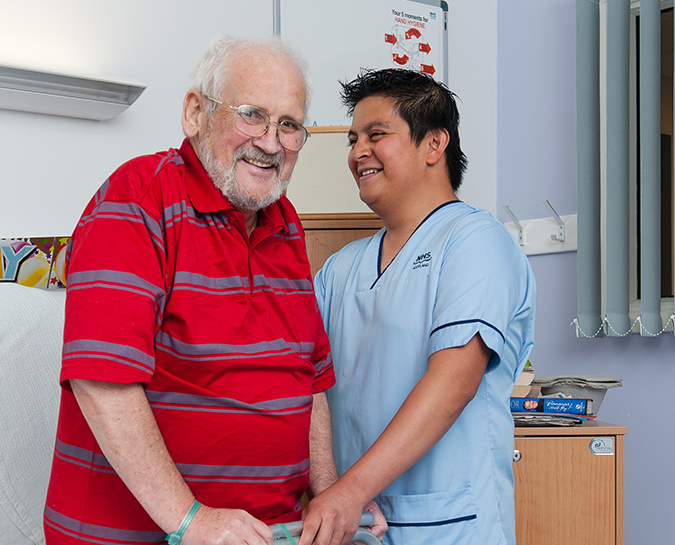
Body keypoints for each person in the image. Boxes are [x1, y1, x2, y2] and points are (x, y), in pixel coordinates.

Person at [44, 35, 384, 545]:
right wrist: (190, 520)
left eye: (289, 125)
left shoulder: (285, 222)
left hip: (271, 533)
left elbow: (307, 379)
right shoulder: (138, 199)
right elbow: (103, 382)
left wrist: (332, 493)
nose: (271, 143)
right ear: (195, 113)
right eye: (251, 114)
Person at [305, 69, 536, 545]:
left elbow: (455, 380)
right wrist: (331, 490)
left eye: (376, 135)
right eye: (353, 139)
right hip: (354, 523)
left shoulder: (475, 241)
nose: (357, 152)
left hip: (447, 523)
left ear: (434, 145)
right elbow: (307, 383)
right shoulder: (338, 270)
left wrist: (348, 492)